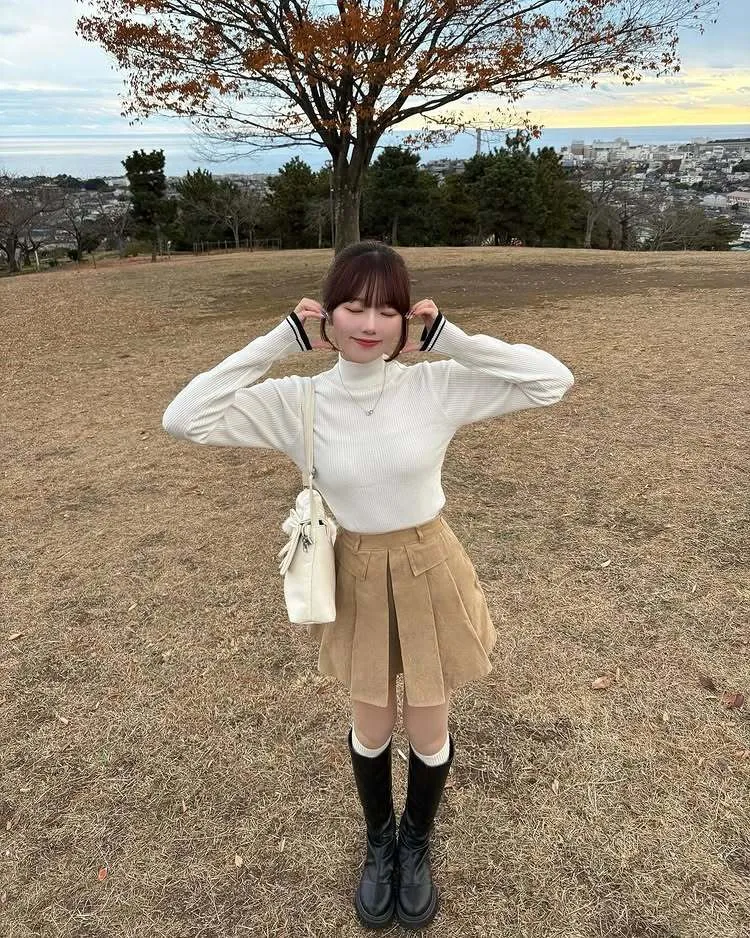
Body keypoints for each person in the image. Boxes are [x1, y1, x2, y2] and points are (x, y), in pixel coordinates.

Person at [162, 241, 575, 929]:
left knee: (429, 722)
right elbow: (184, 417)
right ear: (325, 315)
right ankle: (379, 844)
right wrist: (278, 341)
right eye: (354, 306)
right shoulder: (299, 402)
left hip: (428, 563)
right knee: (372, 721)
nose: (370, 324)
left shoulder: (434, 386)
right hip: (353, 570)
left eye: (387, 310)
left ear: (407, 319)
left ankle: (416, 843)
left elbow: (551, 380)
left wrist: (450, 339)